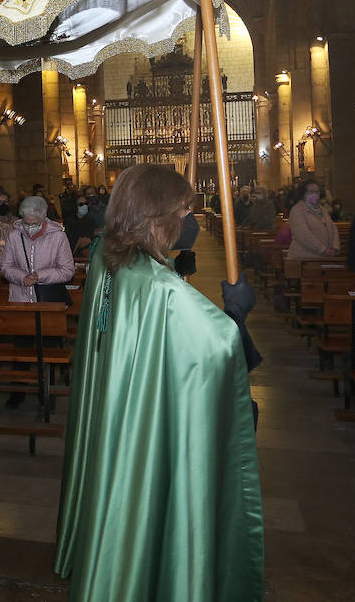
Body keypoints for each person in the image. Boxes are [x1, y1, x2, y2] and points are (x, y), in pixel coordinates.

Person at [54, 164, 263, 602]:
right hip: (146, 420)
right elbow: (215, 346)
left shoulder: (116, 261)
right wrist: (236, 315)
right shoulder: (160, 289)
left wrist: (173, 267)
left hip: (125, 410)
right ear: (157, 216)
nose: (189, 220)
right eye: (184, 210)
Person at [2, 195, 77, 304]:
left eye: (34, 224)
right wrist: (22, 278)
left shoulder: (58, 237)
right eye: (26, 223)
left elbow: (67, 270)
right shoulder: (15, 235)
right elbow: (5, 266)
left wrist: (40, 276)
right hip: (20, 299)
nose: (29, 227)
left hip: (49, 300)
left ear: (43, 218)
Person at [286, 178, 340, 260]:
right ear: (303, 193)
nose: (315, 194)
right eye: (311, 192)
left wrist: (335, 247)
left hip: (324, 257)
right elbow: (304, 235)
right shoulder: (297, 210)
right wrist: (323, 250)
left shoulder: (322, 209)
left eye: (317, 192)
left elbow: (333, 228)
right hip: (305, 259)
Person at [62, 192, 97, 256]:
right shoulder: (70, 222)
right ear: (75, 206)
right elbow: (69, 241)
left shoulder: (90, 220)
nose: (84, 206)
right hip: (75, 255)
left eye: (86, 203)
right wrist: (81, 241)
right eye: (81, 204)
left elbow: (93, 235)